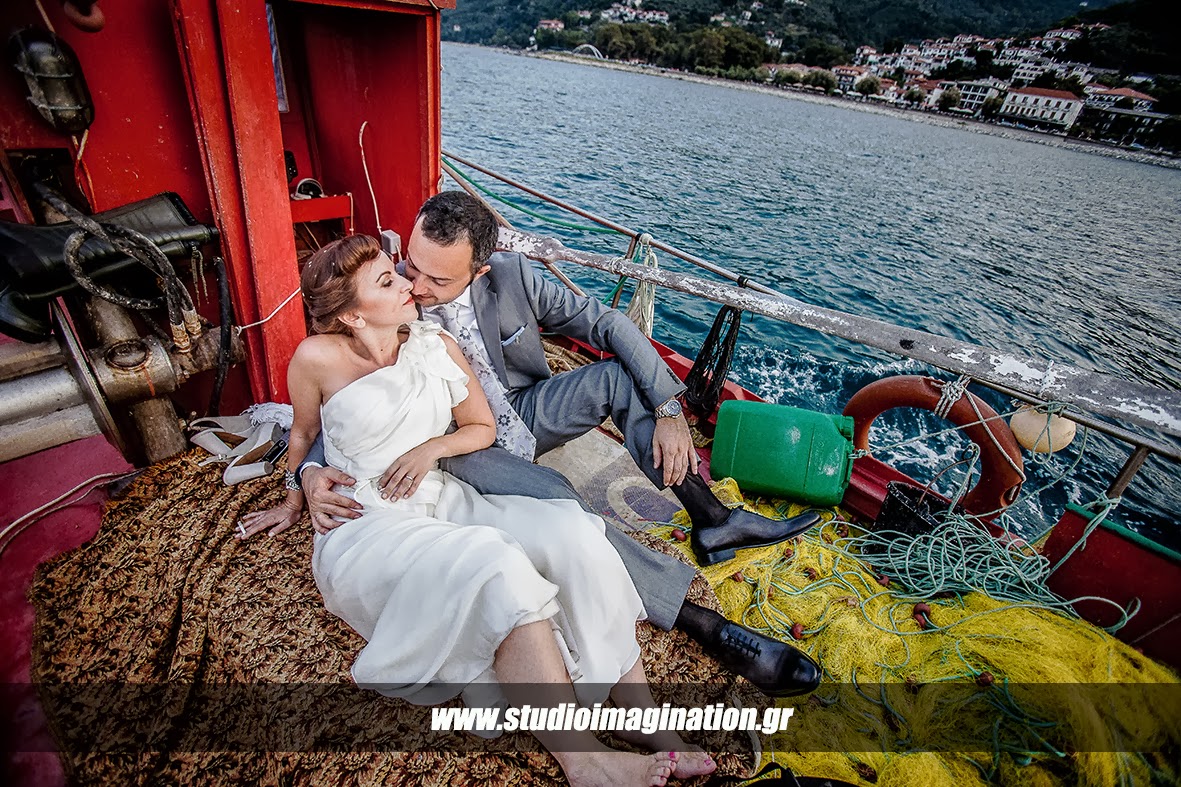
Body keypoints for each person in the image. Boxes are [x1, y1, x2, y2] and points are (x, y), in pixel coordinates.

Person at [296, 192, 822, 697]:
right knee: (562, 503)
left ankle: (712, 517)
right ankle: (699, 620)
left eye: (438, 279)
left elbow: (605, 322)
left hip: (520, 409)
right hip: (463, 445)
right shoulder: (384, 304)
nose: (415, 285)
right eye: (411, 264)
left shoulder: (512, 276)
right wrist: (310, 472)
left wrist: (669, 408)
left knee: (615, 379)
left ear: (479, 270)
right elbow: (345, 412)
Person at [238, 235, 715, 786]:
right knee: (495, 563)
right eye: (388, 281)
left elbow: (481, 426)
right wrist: (297, 490)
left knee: (571, 532)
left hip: (439, 492)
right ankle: (583, 759)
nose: (408, 284)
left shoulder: (435, 343)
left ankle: (644, 718)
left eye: (397, 272)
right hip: (366, 522)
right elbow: (304, 434)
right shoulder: (315, 359)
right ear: (351, 315)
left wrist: (430, 449)